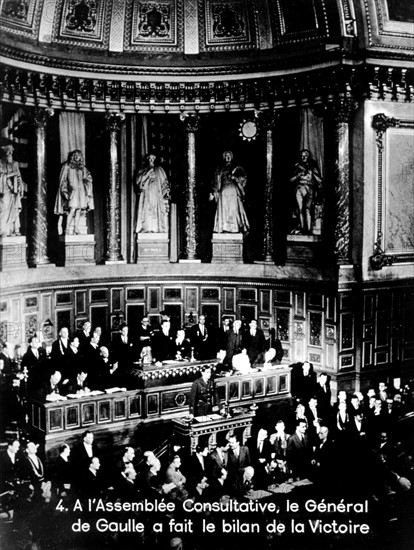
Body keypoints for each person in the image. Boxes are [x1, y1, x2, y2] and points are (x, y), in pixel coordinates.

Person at [55, 149, 94, 235]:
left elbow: (88, 177)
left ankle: (76, 228)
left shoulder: (82, 167)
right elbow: (63, 180)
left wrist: (87, 183)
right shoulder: (67, 166)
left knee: (79, 209)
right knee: (72, 209)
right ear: (73, 156)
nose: (77, 157)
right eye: (75, 155)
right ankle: (67, 228)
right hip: (73, 191)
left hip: (81, 191)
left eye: (79, 155)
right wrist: (64, 191)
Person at [209, 150, 249, 233]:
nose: (228, 157)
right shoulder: (220, 169)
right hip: (223, 191)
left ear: (231, 157)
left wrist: (236, 178)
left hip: (233, 190)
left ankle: (235, 228)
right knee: (224, 210)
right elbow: (216, 181)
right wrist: (214, 192)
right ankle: (224, 228)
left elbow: (243, 179)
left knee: (234, 209)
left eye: (229, 155)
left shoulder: (237, 167)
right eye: (226, 155)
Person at [290, 148, 323, 235]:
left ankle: (308, 230)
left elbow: (318, 178)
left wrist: (320, 189)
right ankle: (302, 228)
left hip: (309, 188)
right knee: (300, 209)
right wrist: (298, 175)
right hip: (299, 188)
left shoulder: (312, 166)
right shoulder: (297, 166)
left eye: (306, 156)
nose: (303, 157)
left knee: (307, 209)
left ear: (309, 157)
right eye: (302, 156)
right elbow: (291, 180)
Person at [135, 153, 170, 233]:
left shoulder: (159, 169)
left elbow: (164, 183)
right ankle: (146, 228)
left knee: (156, 211)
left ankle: (157, 228)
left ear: (155, 159)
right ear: (147, 159)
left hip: (157, 194)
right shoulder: (143, 169)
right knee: (146, 210)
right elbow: (139, 182)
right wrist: (147, 174)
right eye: (150, 158)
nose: (151, 160)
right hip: (146, 194)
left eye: (153, 158)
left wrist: (166, 193)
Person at [0, 144, 24, 236]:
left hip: (14, 191)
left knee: (14, 210)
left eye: (11, 152)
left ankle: (13, 230)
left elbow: (19, 177)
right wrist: (10, 175)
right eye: (8, 151)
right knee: (4, 209)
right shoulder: (0, 163)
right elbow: (1, 176)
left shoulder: (15, 164)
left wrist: (19, 187)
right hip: (4, 190)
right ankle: (3, 231)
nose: (10, 153)